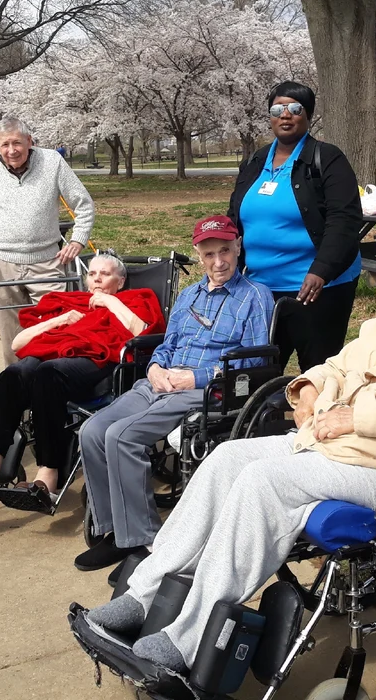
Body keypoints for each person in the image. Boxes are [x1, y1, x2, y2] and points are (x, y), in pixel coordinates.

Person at [75, 258, 376, 674]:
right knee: (225, 458)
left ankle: (188, 637)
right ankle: (145, 593)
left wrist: (356, 417)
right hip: (327, 442)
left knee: (264, 481)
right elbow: (332, 365)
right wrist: (309, 388)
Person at [73, 216, 274, 572]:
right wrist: (154, 369)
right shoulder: (187, 296)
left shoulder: (254, 296)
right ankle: (114, 531)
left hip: (209, 391)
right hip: (159, 381)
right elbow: (166, 345)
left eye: (225, 251)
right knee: (91, 431)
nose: (218, 262)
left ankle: (143, 541)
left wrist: (192, 378)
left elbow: (255, 361)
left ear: (238, 247)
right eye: (209, 254)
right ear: (198, 255)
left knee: (122, 436)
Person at [0, 254, 164, 511]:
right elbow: (18, 344)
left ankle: (48, 476)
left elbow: (143, 331)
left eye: (104, 274)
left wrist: (109, 302)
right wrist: (60, 319)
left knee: (48, 375)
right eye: (92, 274)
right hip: (51, 353)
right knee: (12, 376)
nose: (96, 279)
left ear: (121, 281)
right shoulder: (69, 303)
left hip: (95, 360)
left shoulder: (135, 299)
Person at [227, 81, 363, 371]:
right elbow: (234, 217)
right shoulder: (256, 160)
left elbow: (345, 220)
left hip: (317, 290)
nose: (285, 115)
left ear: (308, 115)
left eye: (294, 108)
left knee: (317, 374)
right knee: (257, 372)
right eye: (277, 109)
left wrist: (321, 271)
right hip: (261, 290)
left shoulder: (327, 158)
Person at [0, 116, 96, 366]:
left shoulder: (52, 162)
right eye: (5, 145)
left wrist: (78, 240)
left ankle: (51, 383)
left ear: (29, 141)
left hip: (47, 260)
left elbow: (84, 205)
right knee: (13, 334)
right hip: (2, 263)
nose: (11, 151)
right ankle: (18, 390)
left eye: (17, 143)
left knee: (56, 327)